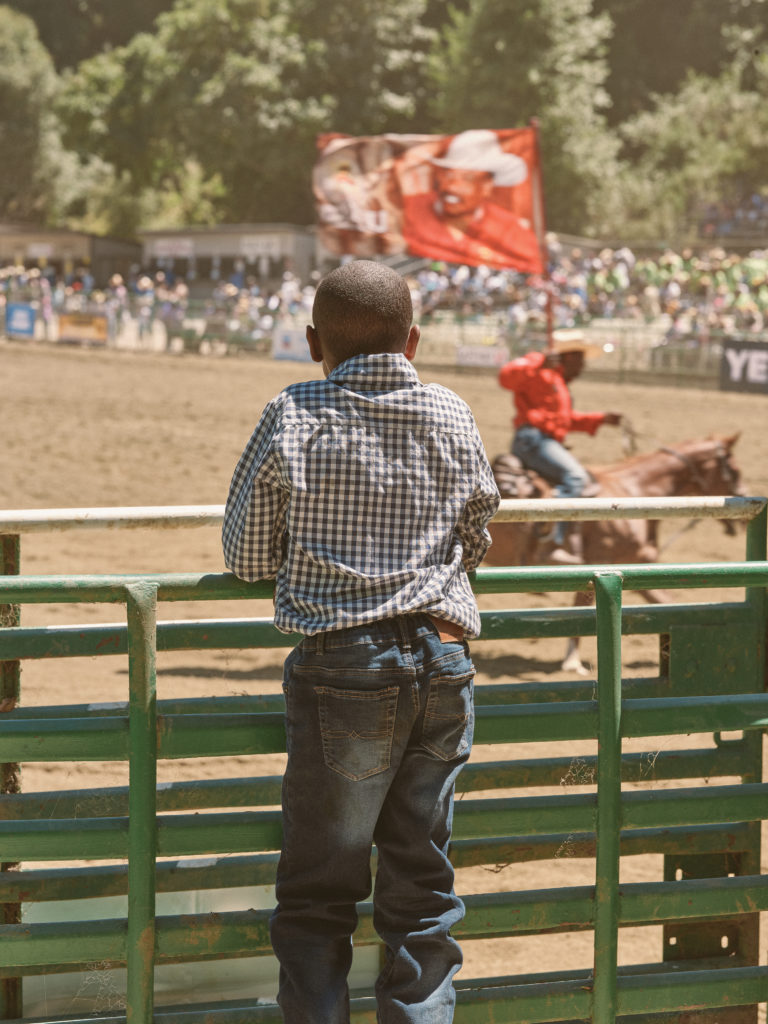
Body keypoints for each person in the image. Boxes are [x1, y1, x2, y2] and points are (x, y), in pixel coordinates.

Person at [222, 260, 500, 1023]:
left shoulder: (293, 411)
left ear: (314, 342)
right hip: (444, 661)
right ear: (412, 340)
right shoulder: (450, 410)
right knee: (421, 887)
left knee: (318, 893)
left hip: (343, 665)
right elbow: (476, 535)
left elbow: (244, 556)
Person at [498, 329, 622, 564]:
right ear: (569, 357)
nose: (582, 368)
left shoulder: (557, 382)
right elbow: (506, 377)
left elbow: (564, 420)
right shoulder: (537, 364)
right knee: (575, 477)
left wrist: (600, 418)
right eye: (580, 361)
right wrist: (540, 365)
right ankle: (550, 542)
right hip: (533, 440)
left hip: (545, 440)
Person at [400, 129, 542, 273]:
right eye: (448, 175)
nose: (452, 186)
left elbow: (527, 262)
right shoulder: (407, 211)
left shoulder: (512, 230)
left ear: (487, 186)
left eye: (468, 178)